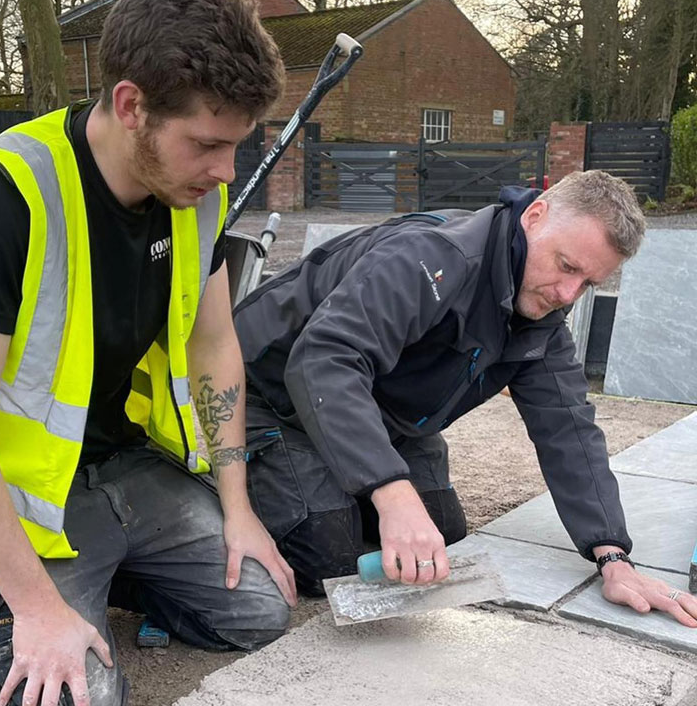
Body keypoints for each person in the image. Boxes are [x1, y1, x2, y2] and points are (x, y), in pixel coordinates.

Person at [0, 0, 297, 706]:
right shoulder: (4, 196)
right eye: (208, 144)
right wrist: (35, 607)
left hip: (123, 469)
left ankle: (106, 570)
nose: (226, 172)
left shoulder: (195, 200)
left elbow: (213, 347)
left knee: (261, 610)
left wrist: (238, 507)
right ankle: (39, 591)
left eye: (238, 145)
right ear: (131, 105)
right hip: (15, 498)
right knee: (69, 692)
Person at [233, 170, 697, 627]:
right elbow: (325, 359)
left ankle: (339, 478)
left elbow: (568, 426)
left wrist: (612, 555)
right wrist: (391, 493)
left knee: (444, 538)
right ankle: (229, 485)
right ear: (535, 216)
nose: (567, 294)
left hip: (376, 408)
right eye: (567, 266)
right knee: (326, 551)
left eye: (587, 284)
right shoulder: (433, 257)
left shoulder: (540, 311)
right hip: (269, 396)